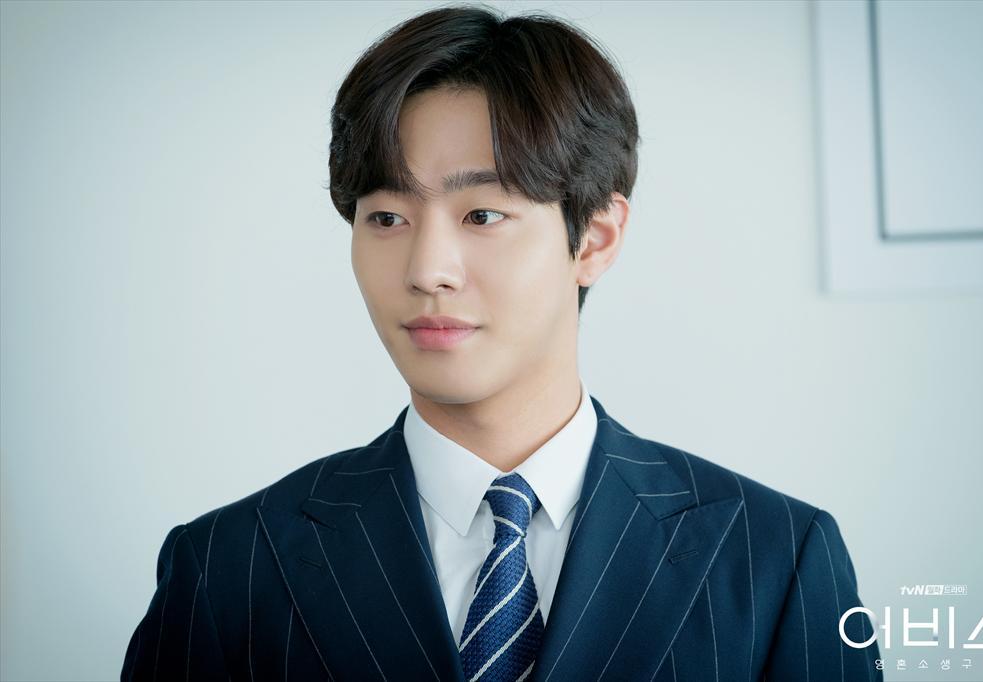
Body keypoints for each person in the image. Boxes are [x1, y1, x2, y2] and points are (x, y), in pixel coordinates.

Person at [121, 5, 882, 681]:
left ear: (596, 237)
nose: (427, 270)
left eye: (481, 215)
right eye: (386, 218)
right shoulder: (227, 565)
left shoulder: (775, 556)